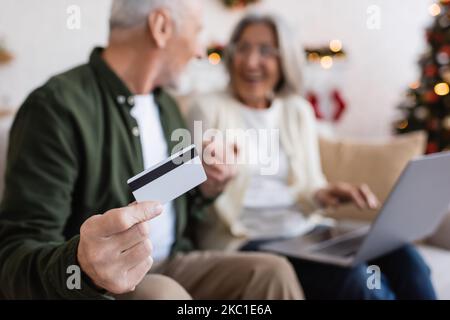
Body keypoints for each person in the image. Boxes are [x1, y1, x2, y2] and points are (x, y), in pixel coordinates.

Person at [0, 1, 303, 300]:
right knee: (162, 294)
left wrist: (206, 187)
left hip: (170, 262)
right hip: (101, 288)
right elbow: (13, 257)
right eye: (196, 33)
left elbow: (159, 199)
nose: (199, 51)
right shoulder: (56, 108)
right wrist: (82, 265)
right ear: (160, 27)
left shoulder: (166, 107)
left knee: (273, 272)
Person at [187, 13, 437, 300]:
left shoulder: (297, 110)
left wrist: (323, 194)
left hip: (305, 231)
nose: (251, 61)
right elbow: (199, 195)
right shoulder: (207, 109)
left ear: (285, 60)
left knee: (406, 256)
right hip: (246, 239)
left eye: (266, 51)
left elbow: (309, 186)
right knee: (353, 279)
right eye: (243, 48)